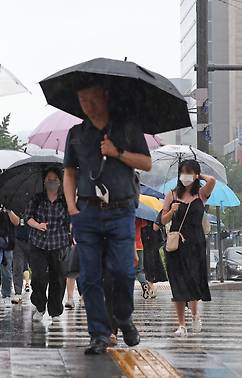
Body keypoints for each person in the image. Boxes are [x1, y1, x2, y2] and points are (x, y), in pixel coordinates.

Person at [63, 82, 151, 354]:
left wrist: (117, 152)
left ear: (106, 96)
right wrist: (71, 208)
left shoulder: (127, 127)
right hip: (87, 212)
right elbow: (69, 172)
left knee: (124, 272)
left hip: (120, 210)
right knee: (89, 276)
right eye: (82, 100)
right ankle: (99, 334)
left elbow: (146, 163)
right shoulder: (76, 134)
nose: (88, 105)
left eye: (92, 99)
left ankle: (123, 317)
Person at [160, 160, 215, 337]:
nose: (185, 176)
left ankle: (195, 315)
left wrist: (199, 176)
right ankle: (181, 325)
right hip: (177, 245)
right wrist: (172, 211)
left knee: (193, 281)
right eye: (182, 172)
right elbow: (162, 220)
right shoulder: (171, 194)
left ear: (196, 174)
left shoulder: (201, 194)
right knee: (178, 284)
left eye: (189, 172)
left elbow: (212, 180)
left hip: (196, 245)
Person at [22, 168, 71, 324]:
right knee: (38, 277)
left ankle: (55, 310)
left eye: (55, 179)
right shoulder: (37, 199)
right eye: (49, 179)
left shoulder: (65, 200)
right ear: (44, 181)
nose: (52, 182)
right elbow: (27, 217)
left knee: (58, 278)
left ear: (60, 181)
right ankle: (40, 306)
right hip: (39, 243)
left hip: (59, 243)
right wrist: (37, 225)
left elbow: (72, 219)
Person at [142, 213, 168, 299]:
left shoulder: (146, 218)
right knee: (150, 261)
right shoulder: (153, 214)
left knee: (148, 262)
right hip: (152, 239)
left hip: (148, 238)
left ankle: (151, 287)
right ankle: (150, 286)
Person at [11, 223, 32, 305]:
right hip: (18, 238)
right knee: (18, 266)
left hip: (34, 239)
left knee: (37, 267)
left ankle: (38, 295)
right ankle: (18, 293)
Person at [135, 218, 151, 299]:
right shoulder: (139, 217)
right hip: (139, 246)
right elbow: (144, 224)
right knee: (140, 270)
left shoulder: (123, 215)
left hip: (126, 245)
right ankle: (144, 284)